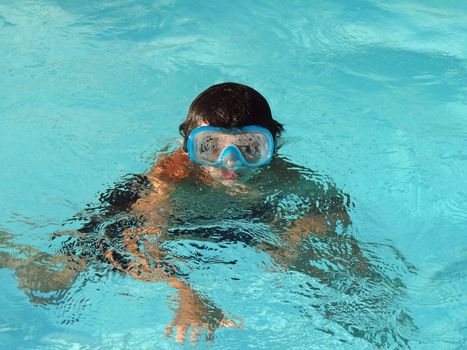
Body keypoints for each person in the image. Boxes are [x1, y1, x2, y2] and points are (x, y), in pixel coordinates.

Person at [0, 82, 354, 344]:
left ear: (273, 143)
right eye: (210, 147)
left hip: (242, 220)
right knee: (48, 285)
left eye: (250, 148)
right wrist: (187, 293)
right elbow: (143, 242)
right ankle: (13, 253)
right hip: (153, 217)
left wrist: (299, 237)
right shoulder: (171, 178)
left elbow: (332, 206)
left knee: (329, 269)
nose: (231, 164)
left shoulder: (283, 175)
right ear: (188, 146)